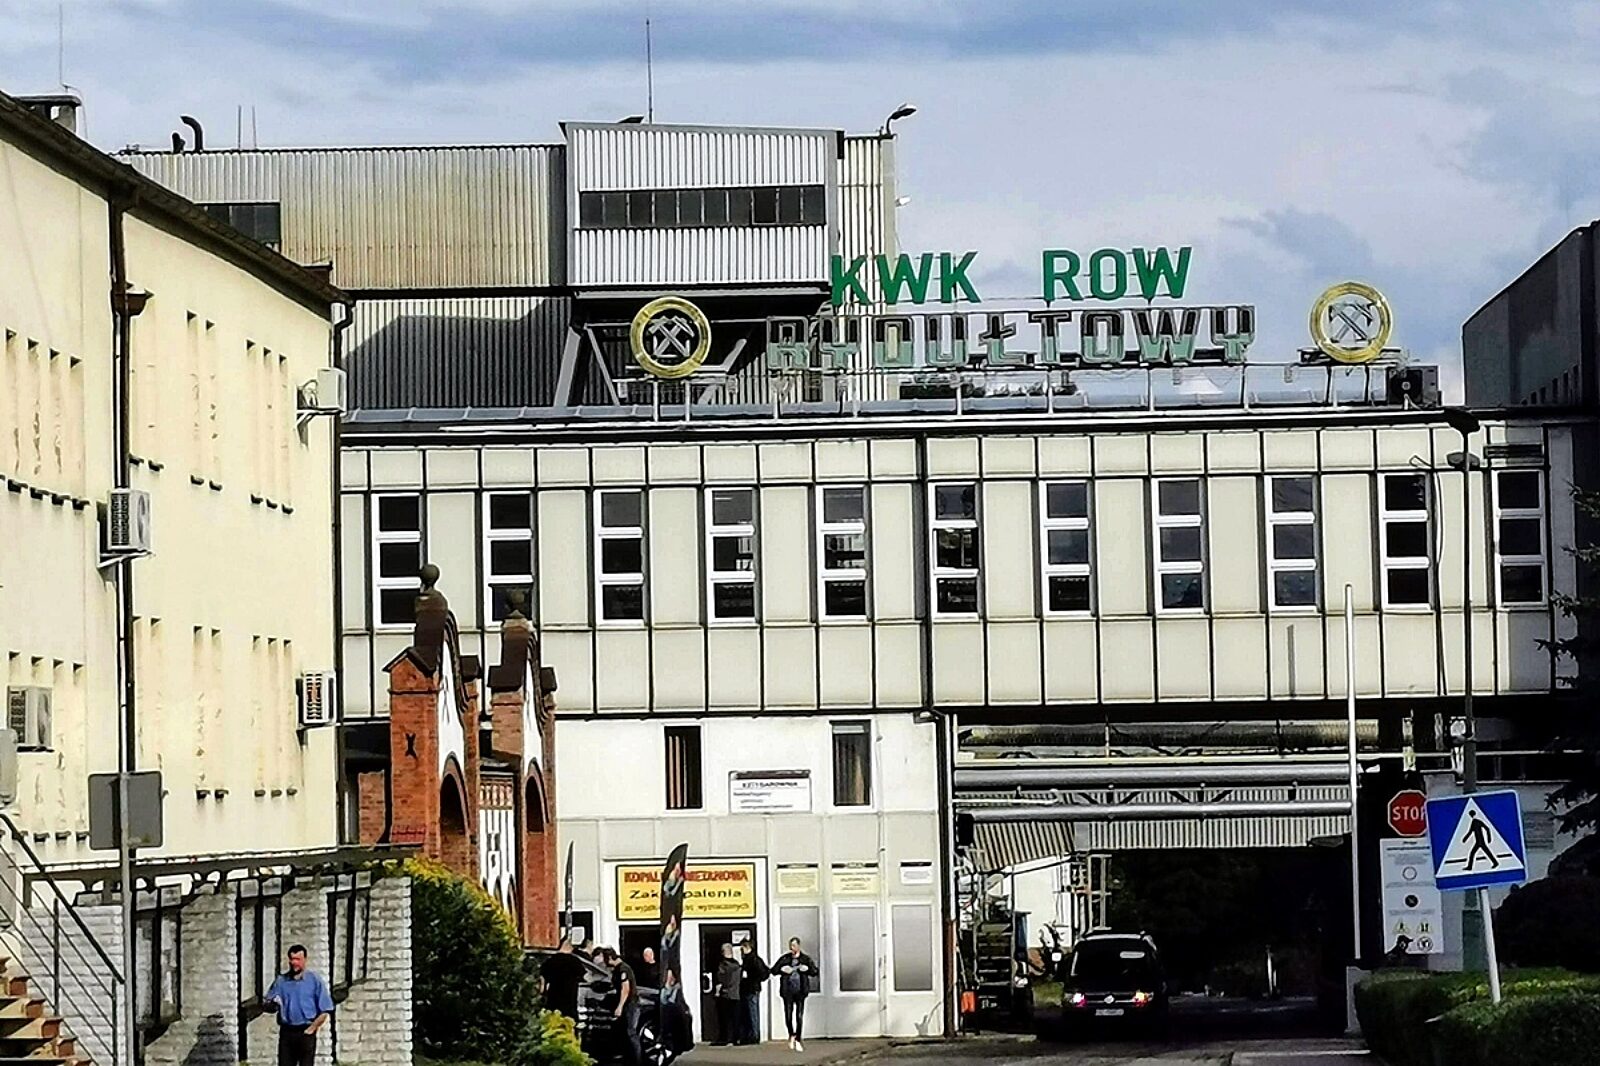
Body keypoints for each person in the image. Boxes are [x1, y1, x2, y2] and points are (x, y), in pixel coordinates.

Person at [264, 945, 334, 1066]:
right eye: (292, 959)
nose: (294, 963)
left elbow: (325, 1010)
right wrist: (271, 1005)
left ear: (305, 960)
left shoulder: (314, 980)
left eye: (298, 959)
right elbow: (268, 1004)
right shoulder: (281, 981)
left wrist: (311, 1029)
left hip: (305, 1031)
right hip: (287, 1032)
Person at [776, 937, 817, 1052]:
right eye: (790, 946)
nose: (792, 948)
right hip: (787, 991)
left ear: (799, 946)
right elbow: (773, 970)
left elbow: (815, 971)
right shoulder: (785, 958)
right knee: (788, 1016)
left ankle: (798, 1038)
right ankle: (791, 1034)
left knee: (799, 1016)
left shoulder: (805, 959)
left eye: (794, 946)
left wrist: (807, 969)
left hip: (800, 991)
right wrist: (782, 969)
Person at [603, 948, 641, 1065]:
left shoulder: (623, 969)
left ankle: (637, 1061)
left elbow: (625, 989)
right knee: (624, 1032)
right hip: (627, 1004)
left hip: (630, 1004)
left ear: (610, 958)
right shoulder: (618, 969)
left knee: (631, 1033)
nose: (605, 962)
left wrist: (620, 1006)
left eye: (605, 959)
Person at [540, 937, 587, 1022]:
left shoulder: (550, 961)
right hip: (569, 999)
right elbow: (584, 977)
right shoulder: (574, 961)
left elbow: (543, 980)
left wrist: (543, 993)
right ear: (569, 947)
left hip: (553, 998)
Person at [738, 939, 770, 1045]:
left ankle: (754, 1036)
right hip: (747, 989)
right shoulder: (747, 959)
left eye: (742, 948)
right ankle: (749, 1035)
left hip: (752, 989)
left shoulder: (754, 959)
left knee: (752, 1013)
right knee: (747, 1013)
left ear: (747, 947)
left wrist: (753, 979)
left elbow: (764, 973)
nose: (741, 951)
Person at [714, 943, 742, 1046]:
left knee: (725, 1019)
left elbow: (721, 979)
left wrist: (717, 992)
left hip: (726, 994)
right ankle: (736, 1038)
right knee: (735, 1018)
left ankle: (726, 1038)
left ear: (723, 952)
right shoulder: (737, 965)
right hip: (736, 994)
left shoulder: (723, 965)